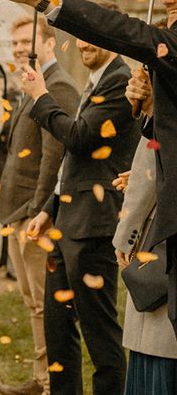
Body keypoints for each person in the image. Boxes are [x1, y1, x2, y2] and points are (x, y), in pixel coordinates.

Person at [0, 0, 177, 336]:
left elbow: (78, 137)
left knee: (102, 332)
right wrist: (150, 107)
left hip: (99, 220)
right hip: (91, 216)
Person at [22, 16, 140, 395]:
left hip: (94, 225)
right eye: (81, 37)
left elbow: (81, 138)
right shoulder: (96, 82)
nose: (84, 44)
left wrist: (41, 95)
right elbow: (77, 164)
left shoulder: (121, 80)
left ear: (111, 38)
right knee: (59, 329)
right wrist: (49, 208)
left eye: (92, 37)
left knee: (99, 332)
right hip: (66, 223)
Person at [0, 14, 79, 395]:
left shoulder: (58, 87)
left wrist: (37, 212)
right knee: (32, 301)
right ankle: (41, 378)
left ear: (49, 43)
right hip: (15, 210)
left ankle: (50, 381)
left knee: (46, 303)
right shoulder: (30, 85)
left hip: (35, 214)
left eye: (25, 44)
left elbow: (54, 157)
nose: (18, 51)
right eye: (13, 46)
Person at [113, 131, 177, 394]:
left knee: (157, 345)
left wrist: (123, 240)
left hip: (162, 239)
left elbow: (147, 175)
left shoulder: (165, 105)